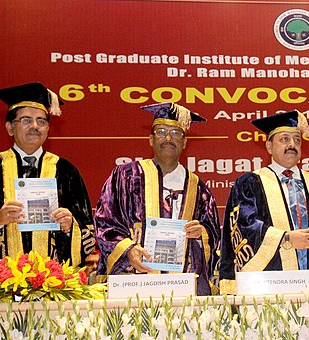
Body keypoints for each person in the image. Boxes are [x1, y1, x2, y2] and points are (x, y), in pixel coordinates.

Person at [0, 82, 96, 278]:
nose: (34, 126)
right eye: (26, 120)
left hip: (54, 284)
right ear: (9, 128)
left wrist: (69, 227)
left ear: (48, 128)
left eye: (41, 121)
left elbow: (87, 231)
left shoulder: (66, 172)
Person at [219, 110, 309, 293]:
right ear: (269, 147)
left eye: (297, 139)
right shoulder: (250, 183)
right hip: (271, 285)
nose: (292, 144)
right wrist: (286, 238)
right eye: (284, 139)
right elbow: (244, 226)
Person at [94, 102, 220, 295]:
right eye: (161, 131)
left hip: (182, 285)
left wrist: (201, 232)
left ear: (185, 142)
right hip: (134, 281)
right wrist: (128, 250)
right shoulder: (125, 176)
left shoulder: (198, 187)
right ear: (151, 139)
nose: (168, 138)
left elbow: (214, 235)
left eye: (176, 133)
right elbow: (105, 222)